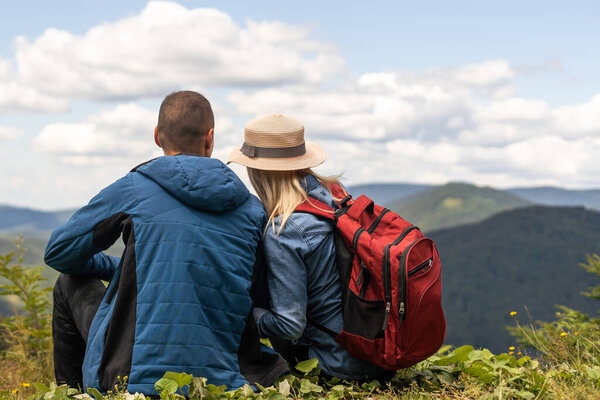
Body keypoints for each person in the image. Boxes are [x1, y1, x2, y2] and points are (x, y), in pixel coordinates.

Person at [45, 91, 288, 395]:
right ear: (210, 139)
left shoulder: (134, 188)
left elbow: (58, 252)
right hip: (222, 382)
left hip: (128, 379)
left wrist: (115, 267)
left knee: (69, 282)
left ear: (157, 136)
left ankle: (71, 394)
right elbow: (259, 298)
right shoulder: (252, 210)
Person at [227, 114, 389, 380]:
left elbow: (289, 326)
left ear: (258, 172)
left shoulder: (285, 230)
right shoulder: (335, 196)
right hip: (374, 354)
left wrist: (243, 313)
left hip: (335, 364)